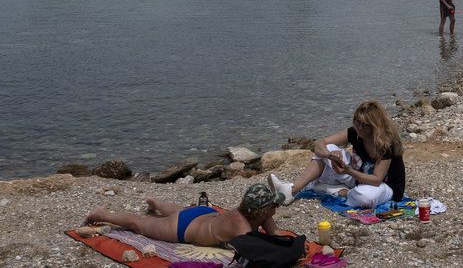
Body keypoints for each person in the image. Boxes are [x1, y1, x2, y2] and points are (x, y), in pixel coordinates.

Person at [268, 101, 406, 208]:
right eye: (356, 122)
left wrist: (349, 171)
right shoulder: (355, 133)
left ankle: (339, 191)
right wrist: (330, 155)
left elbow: (376, 179)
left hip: (385, 186)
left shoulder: (386, 144)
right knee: (328, 147)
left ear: (374, 126)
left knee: (365, 198)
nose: (359, 127)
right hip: (358, 176)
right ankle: (292, 190)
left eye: (364, 125)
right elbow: (319, 143)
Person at [84, 183, 285, 248]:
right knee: (140, 223)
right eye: (273, 204)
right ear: (262, 210)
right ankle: (104, 214)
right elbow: (253, 251)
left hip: (205, 213)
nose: (277, 206)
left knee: (181, 209)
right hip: (184, 227)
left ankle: (156, 203)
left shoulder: (261, 215)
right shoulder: (241, 228)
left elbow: (276, 233)